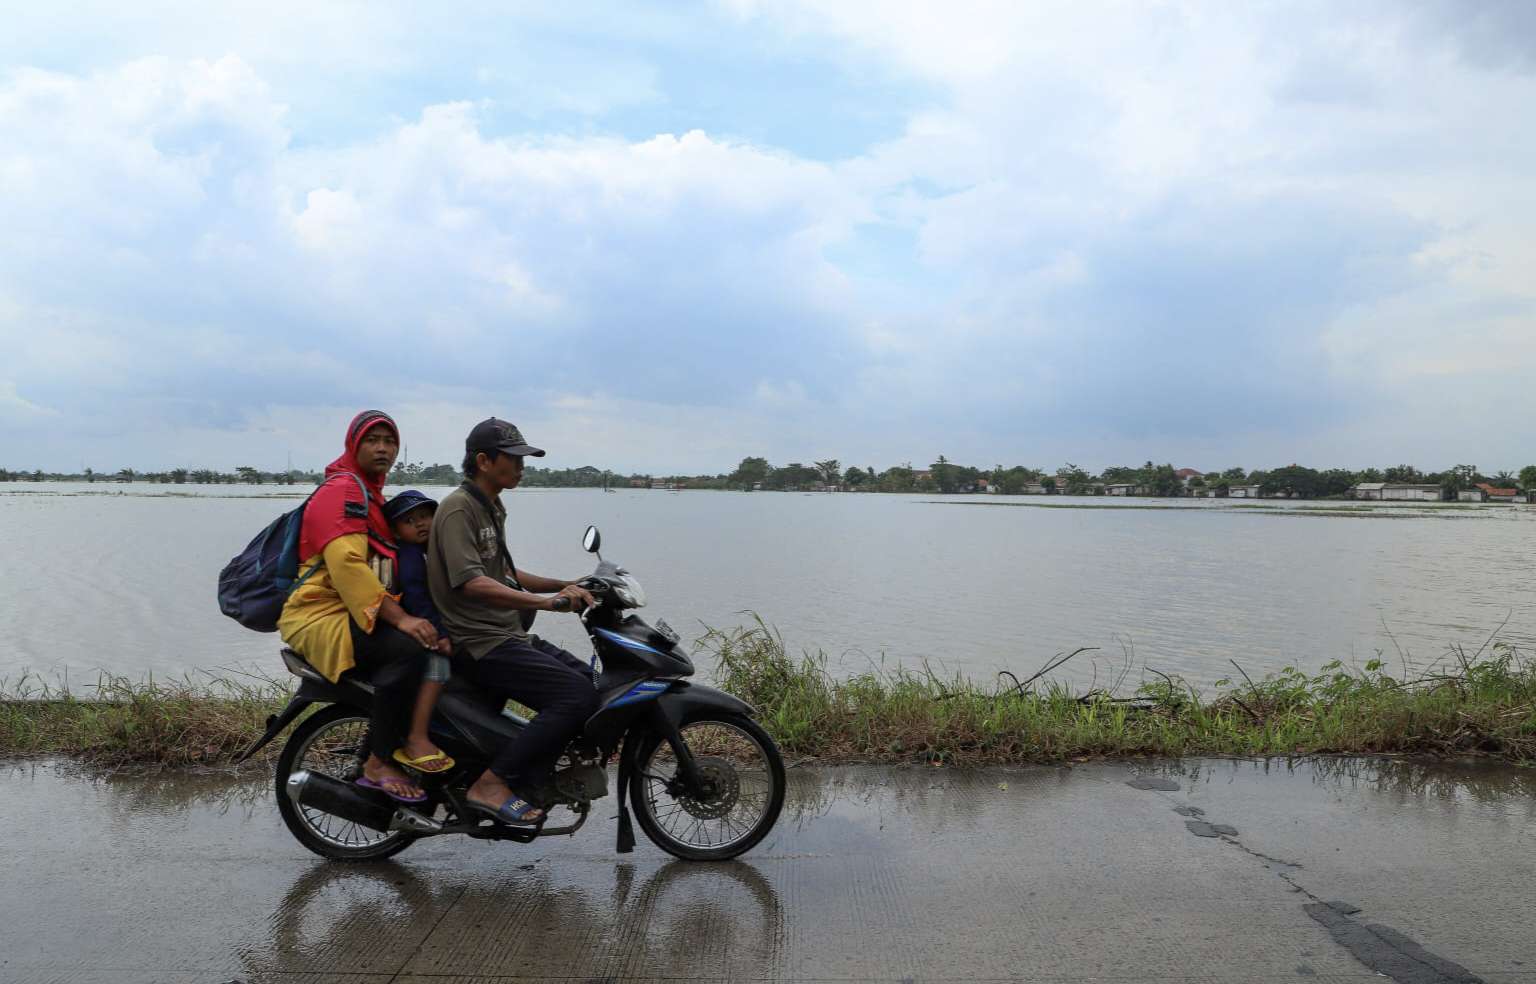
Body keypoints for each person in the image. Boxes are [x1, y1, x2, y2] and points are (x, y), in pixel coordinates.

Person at [426, 417, 598, 825]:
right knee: (573, 696)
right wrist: (544, 603)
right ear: (484, 461)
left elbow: (504, 573)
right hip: (479, 640)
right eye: (514, 459)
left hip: (505, 633)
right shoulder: (458, 509)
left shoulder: (490, 505)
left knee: (592, 687)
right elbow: (471, 582)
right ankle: (491, 783)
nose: (522, 467)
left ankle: (532, 774)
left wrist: (567, 582)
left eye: (524, 459)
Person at [277, 410, 444, 804]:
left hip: (347, 610)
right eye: (373, 440)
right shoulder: (345, 491)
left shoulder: (369, 493)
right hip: (320, 614)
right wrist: (401, 618)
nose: (383, 448)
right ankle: (378, 760)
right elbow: (347, 565)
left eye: (390, 441)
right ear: (354, 445)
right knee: (409, 650)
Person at [383, 489, 456, 774]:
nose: (421, 524)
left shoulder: (429, 552)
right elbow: (417, 600)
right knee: (439, 668)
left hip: (421, 625)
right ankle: (418, 735)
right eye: (410, 521)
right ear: (397, 532)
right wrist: (440, 634)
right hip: (417, 629)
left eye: (426, 516)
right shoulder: (411, 556)